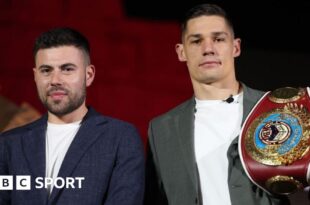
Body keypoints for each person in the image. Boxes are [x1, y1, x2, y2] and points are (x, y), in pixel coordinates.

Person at [144, 4, 290, 205]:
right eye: (196, 41)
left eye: (219, 39)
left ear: (235, 47)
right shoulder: (161, 130)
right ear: (181, 52)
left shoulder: (276, 109)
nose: (208, 49)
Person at [0, 27, 145, 205]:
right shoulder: (9, 144)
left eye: (67, 69)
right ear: (35, 76)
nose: (55, 80)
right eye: (46, 70)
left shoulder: (120, 138)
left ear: (89, 75)